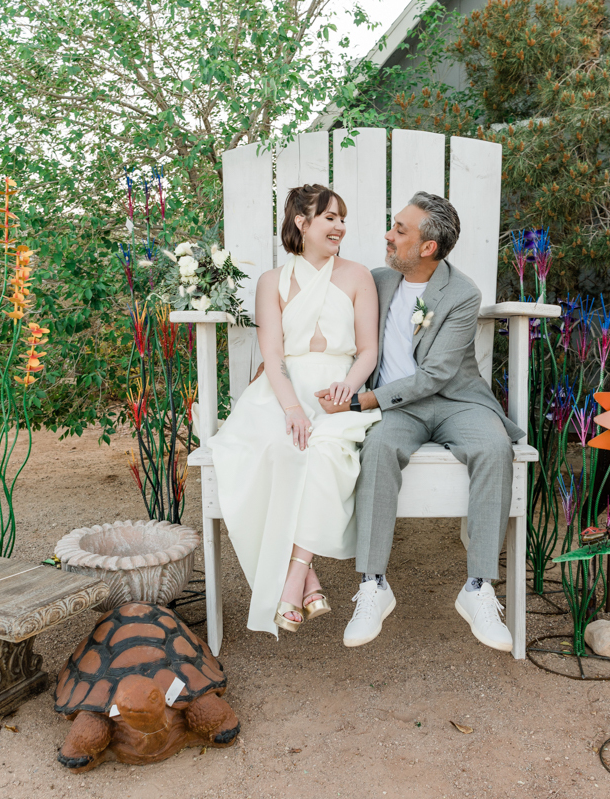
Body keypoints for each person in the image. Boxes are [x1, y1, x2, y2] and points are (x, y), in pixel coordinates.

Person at [314, 192, 523, 652]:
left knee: (493, 448)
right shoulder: (378, 281)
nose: (388, 236)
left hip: (456, 401)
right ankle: (373, 585)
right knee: (380, 448)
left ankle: (479, 589)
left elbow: (435, 376)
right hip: (396, 409)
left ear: (428, 247)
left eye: (400, 231)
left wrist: (361, 402)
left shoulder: (463, 293)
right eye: (394, 226)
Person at [207, 184, 380, 637]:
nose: (340, 226)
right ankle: (310, 582)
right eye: (330, 218)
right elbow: (273, 355)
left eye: (343, 217)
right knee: (277, 453)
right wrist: (291, 408)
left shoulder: (358, 275)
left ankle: (293, 577)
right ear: (302, 223)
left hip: (337, 389)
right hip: (280, 390)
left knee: (325, 452)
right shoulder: (272, 282)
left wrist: (348, 386)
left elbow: (368, 350)